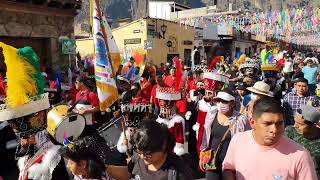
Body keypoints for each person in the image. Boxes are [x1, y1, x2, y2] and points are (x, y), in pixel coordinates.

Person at [222, 97, 317, 180]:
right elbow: (228, 168)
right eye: (267, 124)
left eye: (279, 123)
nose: (274, 130)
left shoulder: (300, 155)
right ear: (252, 122)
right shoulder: (238, 140)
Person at [199, 91, 249, 180]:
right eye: (218, 100)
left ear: (232, 103)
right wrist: (202, 153)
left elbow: (246, 141)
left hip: (231, 164)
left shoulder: (241, 120)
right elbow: (206, 135)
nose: (220, 104)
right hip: (211, 160)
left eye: (224, 101)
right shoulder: (211, 114)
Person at [128, 120, 195, 180]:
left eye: (147, 153)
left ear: (163, 146)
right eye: (139, 151)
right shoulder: (137, 158)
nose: (142, 156)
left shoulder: (180, 172)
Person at [285, 104, 320, 176]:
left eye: (300, 124)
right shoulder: (289, 132)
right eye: (295, 122)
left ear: (313, 125)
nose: (295, 126)